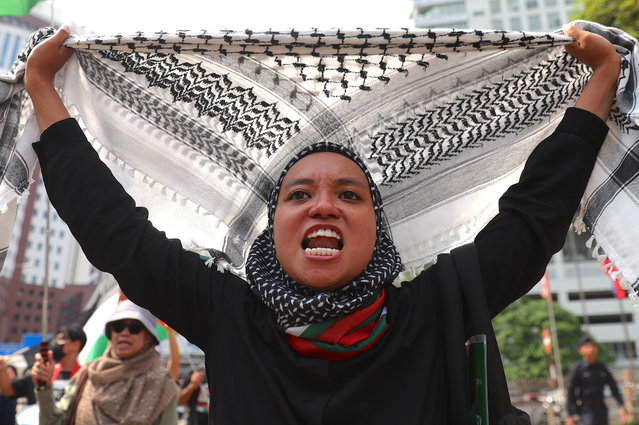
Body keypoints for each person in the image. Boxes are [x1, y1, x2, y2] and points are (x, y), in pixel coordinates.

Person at [23, 22, 621, 424]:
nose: (323, 205)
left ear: (377, 229)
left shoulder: (441, 308)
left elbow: (532, 217)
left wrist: (600, 83)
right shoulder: (226, 314)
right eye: (299, 193)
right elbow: (116, 233)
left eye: (350, 195)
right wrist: (43, 90)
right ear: (274, 226)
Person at [30, 299, 179, 425]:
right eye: (118, 327)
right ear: (111, 332)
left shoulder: (162, 385)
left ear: (148, 338)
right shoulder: (87, 375)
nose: (124, 332)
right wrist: (44, 387)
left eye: (134, 328)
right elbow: (56, 421)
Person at [565, 336, 628, 425]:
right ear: (580, 350)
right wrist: (571, 414)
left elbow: (614, 388)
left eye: (591, 346)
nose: (590, 349)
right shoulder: (578, 369)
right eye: (586, 346)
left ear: (596, 349)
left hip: (601, 409)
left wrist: (621, 406)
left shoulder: (602, 368)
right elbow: (570, 391)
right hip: (585, 410)